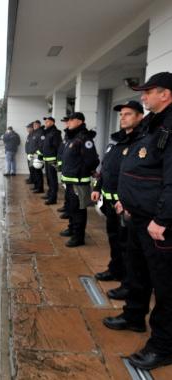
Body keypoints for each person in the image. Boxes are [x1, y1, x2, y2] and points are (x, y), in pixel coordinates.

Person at [102, 72, 172, 371]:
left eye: (148, 92)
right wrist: (126, 200)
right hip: (137, 217)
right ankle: (133, 316)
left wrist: (162, 219)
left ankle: (163, 346)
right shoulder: (152, 126)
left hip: (158, 224)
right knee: (137, 273)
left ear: (165, 94)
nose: (143, 97)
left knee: (165, 287)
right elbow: (141, 168)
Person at [92, 101, 143, 301]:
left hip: (127, 206)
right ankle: (115, 270)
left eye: (128, 114)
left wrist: (129, 202)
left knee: (128, 247)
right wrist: (97, 187)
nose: (123, 117)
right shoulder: (116, 141)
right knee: (114, 239)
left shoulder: (140, 141)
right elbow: (106, 168)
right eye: (121, 114)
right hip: (110, 203)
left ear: (140, 116)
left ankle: (128, 285)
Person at [59, 112, 99, 247]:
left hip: (79, 182)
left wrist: (82, 171)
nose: (67, 123)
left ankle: (78, 236)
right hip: (70, 181)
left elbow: (92, 160)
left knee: (78, 210)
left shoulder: (84, 138)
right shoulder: (72, 137)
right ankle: (72, 228)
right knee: (71, 208)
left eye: (70, 120)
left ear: (80, 121)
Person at [41, 117, 62, 204]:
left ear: (53, 123)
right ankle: (50, 193)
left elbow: (58, 147)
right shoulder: (48, 132)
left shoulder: (55, 133)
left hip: (52, 160)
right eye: (45, 122)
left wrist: (57, 161)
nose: (46, 123)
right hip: (46, 159)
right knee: (49, 178)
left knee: (53, 179)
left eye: (48, 122)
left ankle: (53, 198)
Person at [56, 116, 70, 219]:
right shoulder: (67, 135)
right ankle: (66, 207)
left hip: (73, 173)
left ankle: (68, 210)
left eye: (67, 122)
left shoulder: (78, 137)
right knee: (67, 191)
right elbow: (62, 150)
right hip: (66, 168)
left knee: (72, 196)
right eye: (65, 122)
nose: (66, 124)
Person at [31, 120, 45, 193]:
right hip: (34, 155)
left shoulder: (41, 133)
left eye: (36, 124)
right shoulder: (35, 132)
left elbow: (41, 145)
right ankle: (36, 186)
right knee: (35, 172)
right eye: (34, 125)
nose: (34, 126)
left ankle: (40, 188)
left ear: (39, 125)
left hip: (38, 155)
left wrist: (37, 153)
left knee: (38, 172)